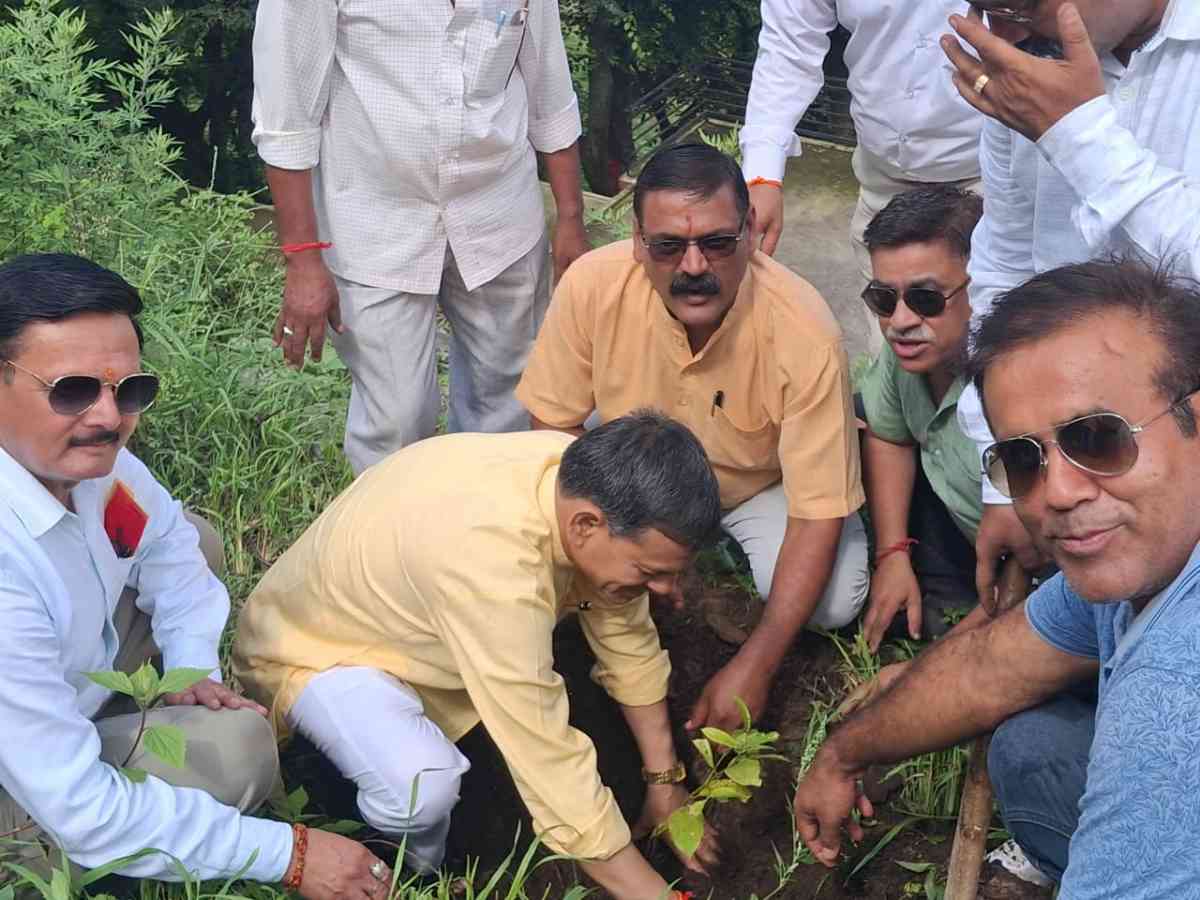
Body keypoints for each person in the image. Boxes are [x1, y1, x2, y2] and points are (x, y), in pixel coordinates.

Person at [792, 258, 1200, 897]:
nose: (1057, 493)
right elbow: (994, 667)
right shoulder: (1147, 552)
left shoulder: (1174, 696)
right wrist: (844, 753)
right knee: (1031, 746)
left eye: (1097, 438)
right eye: (1022, 458)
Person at [0, 254, 388, 898]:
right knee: (236, 751)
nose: (106, 417)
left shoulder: (92, 468)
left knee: (197, 537)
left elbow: (175, 550)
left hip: (50, 693)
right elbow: (82, 813)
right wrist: (289, 855)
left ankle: (119, 726)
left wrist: (191, 670)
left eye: (129, 391)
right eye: (72, 391)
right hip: (30, 791)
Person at [233, 413, 723, 900]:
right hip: (314, 648)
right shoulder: (494, 568)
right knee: (422, 787)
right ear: (585, 525)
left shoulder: (574, 476)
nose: (667, 591)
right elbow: (544, 753)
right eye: (651, 572)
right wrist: (655, 894)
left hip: (410, 627)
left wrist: (664, 783)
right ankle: (411, 872)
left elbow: (625, 631)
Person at [515, 143, 868, 732]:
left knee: (834, 602)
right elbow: (552, 428)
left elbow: (815, 515)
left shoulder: (806, 333)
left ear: (750, 232)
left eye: (717, 242)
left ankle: (828, 486)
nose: (694, 266)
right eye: (669, 246)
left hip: (756, 485)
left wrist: (756, 665)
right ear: (637, 240)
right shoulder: (591, 286)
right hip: (635, 472)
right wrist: (609, 559)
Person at [251, 0, 591, 474]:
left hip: (499, 214)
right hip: (375, 222)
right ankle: (389, 543)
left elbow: (550, 91)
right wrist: (304, 260)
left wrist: (571, 220)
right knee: (396, 419)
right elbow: (285, 119)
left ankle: (487, 533)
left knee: (510, 401)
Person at [940, 0, 1200, 608]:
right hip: (1063, 448)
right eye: (983, 5)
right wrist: (1006, 479)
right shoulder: (1030, 63)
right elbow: (1004, 269)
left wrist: (1080, 136)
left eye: (1020, 5)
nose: (999, 33)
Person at [740, 0, 982, 289]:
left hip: (1000, 183)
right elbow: (789, 47)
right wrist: (762, 172)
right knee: (894, 323)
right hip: (882, 186)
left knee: (1006, 321)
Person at [856, 186, 985, 651]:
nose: (901, 321)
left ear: (981, 280)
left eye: (926, 298)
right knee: (853, 418)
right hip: (955, 516)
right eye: (884, 300)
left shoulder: (1016, 384)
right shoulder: (907, 352)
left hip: (1031, 562)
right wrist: (892, 555)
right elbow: (890, 437)